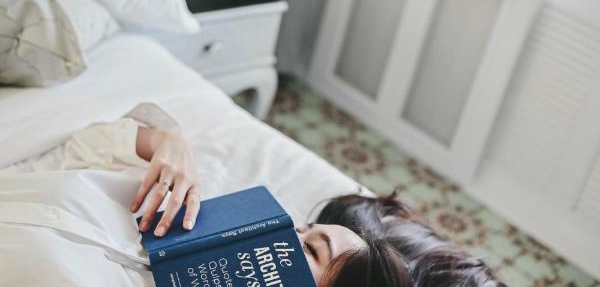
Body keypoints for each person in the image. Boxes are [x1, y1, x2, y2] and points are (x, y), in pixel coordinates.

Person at [0, 103, 504, 286]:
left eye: (308, 248)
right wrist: (169, 142)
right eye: (302, 231)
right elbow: (88, 144)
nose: (285, 231)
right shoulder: (187, 211)